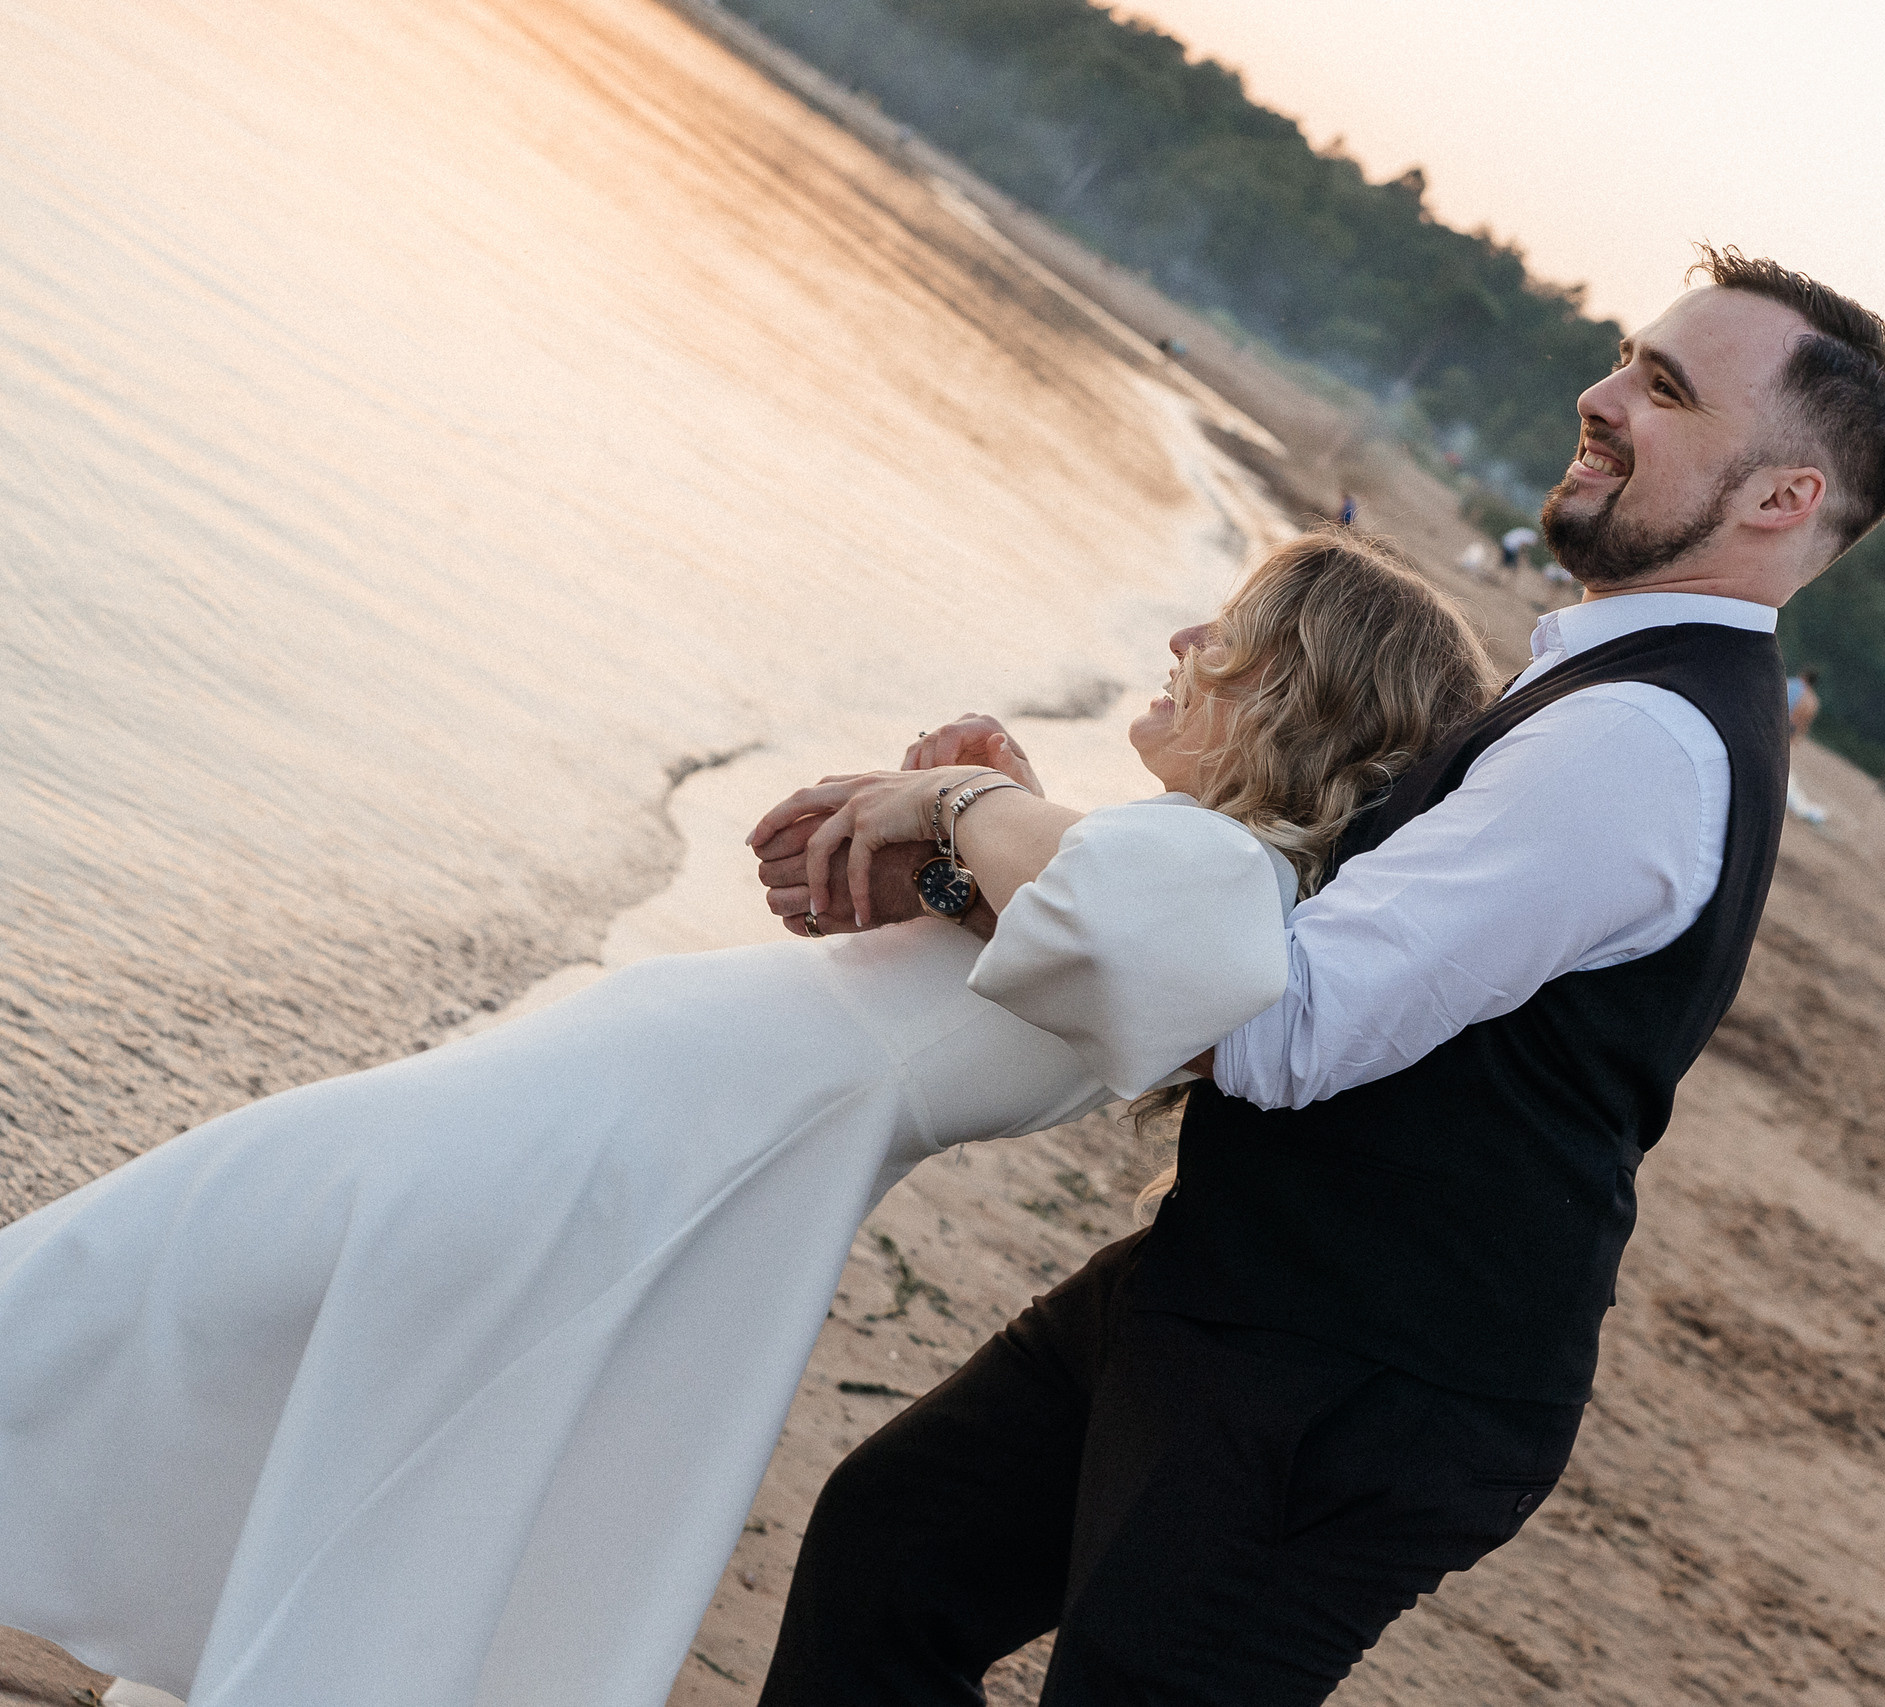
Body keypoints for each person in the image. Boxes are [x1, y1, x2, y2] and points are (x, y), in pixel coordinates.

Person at [0, 534, 1491, 1707]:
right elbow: (1077, 937)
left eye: (1228, 631)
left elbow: (1146, 938)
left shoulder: (1224, 885)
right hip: (599, 1139)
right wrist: (987, 818)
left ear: (1298, 692)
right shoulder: (1161, 867)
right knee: (291, 1359)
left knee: (161, 1281)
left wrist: (955, 798)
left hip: (606, 1163)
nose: (1182, 641)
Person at [755, 246, 1885, 1704]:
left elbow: (1278, 1017)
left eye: (1666, 389)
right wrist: (1007, 865)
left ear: (1780, 500)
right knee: (893, 1551)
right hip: (1243, 1286)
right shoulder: (1609, 688)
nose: (1602, 394)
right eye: (1627, 359)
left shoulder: (1640, 740)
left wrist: (967, 814)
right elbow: (1286, 917)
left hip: (1358, 1376)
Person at [1785, 665, 1829, 823]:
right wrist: (1795, 739)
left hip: (1780, 724)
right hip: (1791, 732)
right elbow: (1803, 726)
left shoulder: (1792, 684)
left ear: (1804, 675)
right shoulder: (1813, 701)